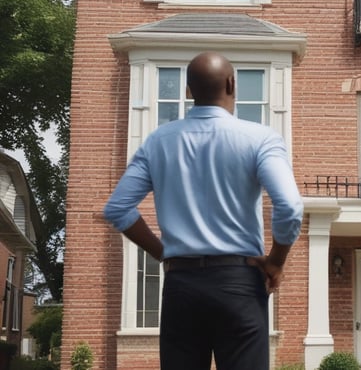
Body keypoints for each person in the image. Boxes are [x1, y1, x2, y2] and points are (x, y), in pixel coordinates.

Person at [103, 52, 304, 370]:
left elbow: (117, 209)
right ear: (231, 84)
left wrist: (164, 252)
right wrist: (276, 262)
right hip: (239, 282)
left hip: (181, 284)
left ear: (188, 91)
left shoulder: (158, 142)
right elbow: (290, 207)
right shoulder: (261, 139)